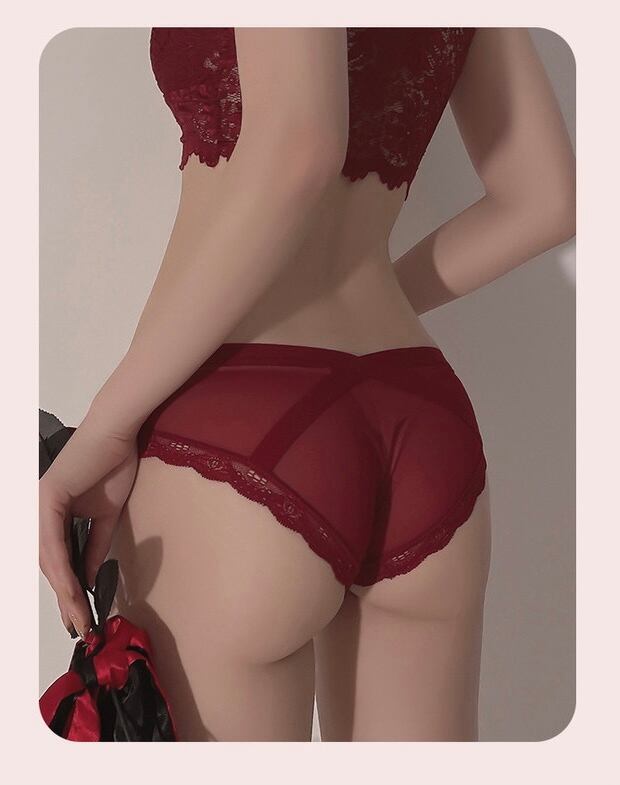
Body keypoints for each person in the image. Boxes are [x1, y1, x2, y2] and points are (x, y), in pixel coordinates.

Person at [39, 27, 576, 741]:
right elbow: (545, 198)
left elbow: (303, 145)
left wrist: (108, 425)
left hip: (241, 413)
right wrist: (374, 297)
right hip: (417, 409)